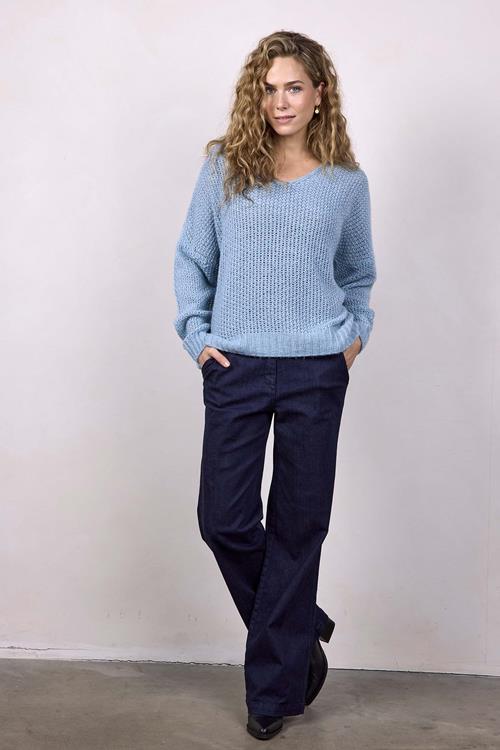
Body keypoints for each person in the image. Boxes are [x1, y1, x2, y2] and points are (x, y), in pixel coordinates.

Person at [172, 30, 377, 741]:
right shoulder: (225, 168)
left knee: (298, 524)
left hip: (316, 370)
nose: (280, 101)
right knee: (223, 519)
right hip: (235, 366)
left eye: (294, 87)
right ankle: (298, 625)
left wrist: (355, 336)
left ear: (320, 94)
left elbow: (358, 274)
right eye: (268, 89)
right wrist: (197, 336)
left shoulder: (345, 184)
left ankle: (273, 692)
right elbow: (192, 258)